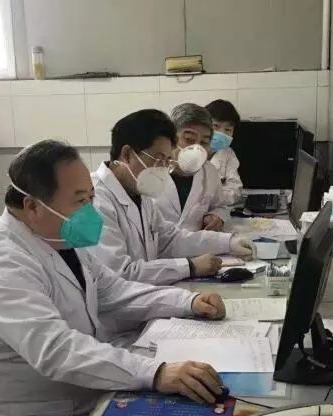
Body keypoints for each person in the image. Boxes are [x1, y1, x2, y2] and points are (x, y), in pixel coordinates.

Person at [0, 140, 229, 416]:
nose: (91, 212)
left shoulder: (58, 240)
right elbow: (56, 350)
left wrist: (187, 302)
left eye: (91, 198)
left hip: (77, 400)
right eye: (80, 201)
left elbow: (114, 290)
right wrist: (156, 373)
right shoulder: (0, 265)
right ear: (32, 206)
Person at [90, 109, 256, 287]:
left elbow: (170, 239)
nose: (162, 170)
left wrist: (228, 242)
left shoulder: (140, 194)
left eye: (166, 161)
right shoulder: (94, 199)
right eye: (158, 159)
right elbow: (118, 274)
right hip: (120, 301)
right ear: (127, 154)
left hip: (147, 293)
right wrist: (190, 266)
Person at [155, 103, 230, 232]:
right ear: (171, 139)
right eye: (189, 139)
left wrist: (216, 216)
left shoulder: (209, 171)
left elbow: (220, 206)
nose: (197, 148)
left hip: (198, 242)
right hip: (156, 244)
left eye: (204, 142)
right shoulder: (150, 170)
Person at [206, 99, 243, 205]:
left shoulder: (228, 154)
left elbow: (235, 192)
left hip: (216, 210)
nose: (222, 133)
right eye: (216, 126)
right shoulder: (190, 150)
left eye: (228, 130)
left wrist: (207, 196)